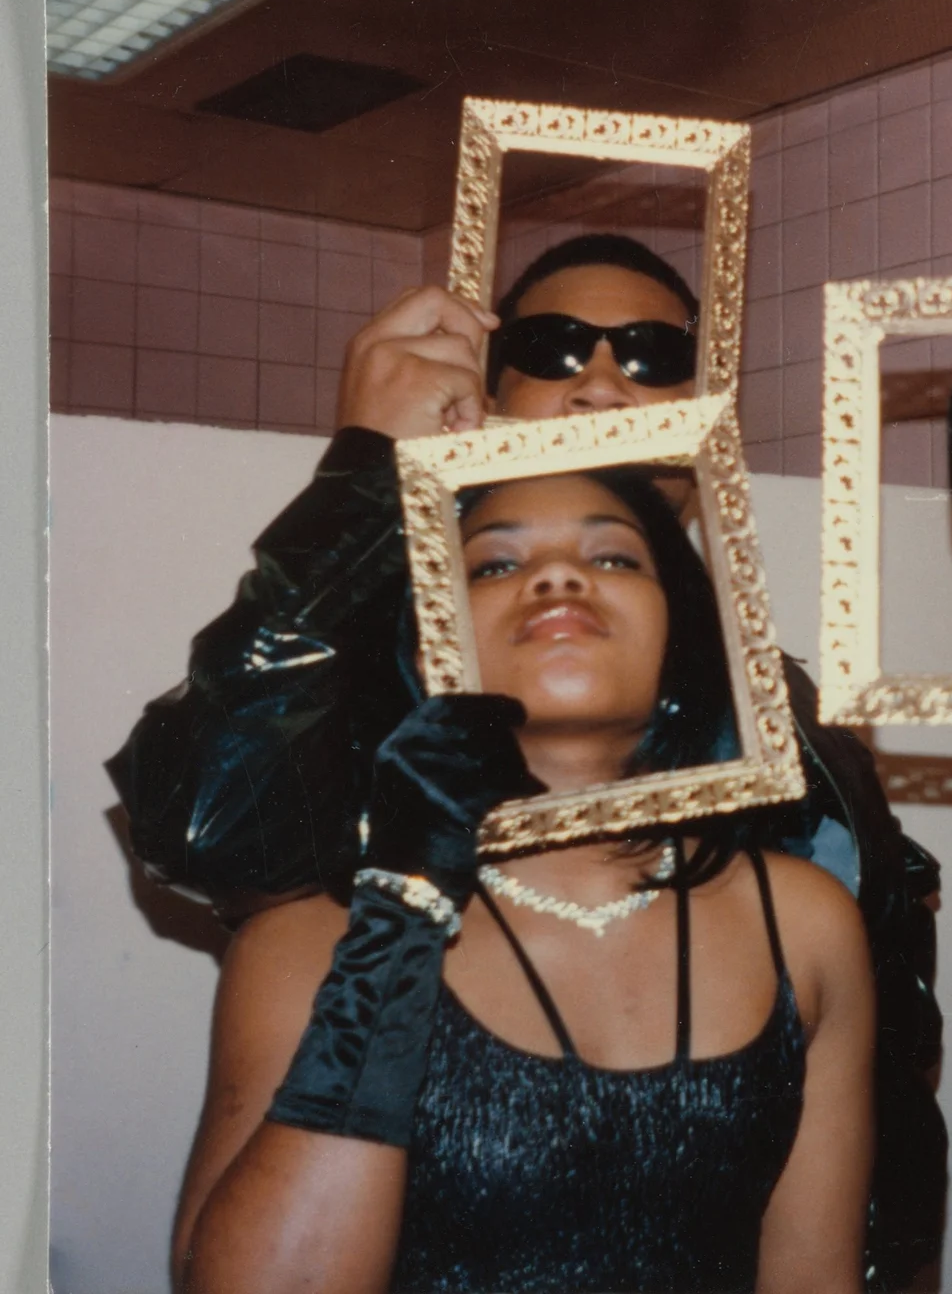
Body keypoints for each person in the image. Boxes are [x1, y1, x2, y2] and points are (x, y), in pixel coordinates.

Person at [110, 234, 946, 1290]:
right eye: (554, 348)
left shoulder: (794, 735)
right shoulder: (367, 697)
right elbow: (204, 818)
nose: (601, 382)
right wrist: (370, 468)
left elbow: (883, 1074)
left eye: (650, 355)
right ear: (484, 407)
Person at [174, 467, 874, 1293]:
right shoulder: (305, 944)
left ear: (680, 634)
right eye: (494, 565)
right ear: (426, 637)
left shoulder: (803, 925)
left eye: (614, 557)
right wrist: (405, 908)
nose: (557, 577)